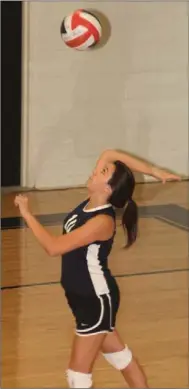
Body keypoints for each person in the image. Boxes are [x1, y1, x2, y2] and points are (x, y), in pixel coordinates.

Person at [14, 149, 181, 388]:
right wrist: (153, 171)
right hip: (84, 299)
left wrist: (26, 214)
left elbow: (53, 247)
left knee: (77, 377)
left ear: (108, 189)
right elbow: (110, 153)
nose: (95, 170)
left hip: (95, 300)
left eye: (102, 172)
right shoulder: (92, 202)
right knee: (120, 358)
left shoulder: (102, 222)